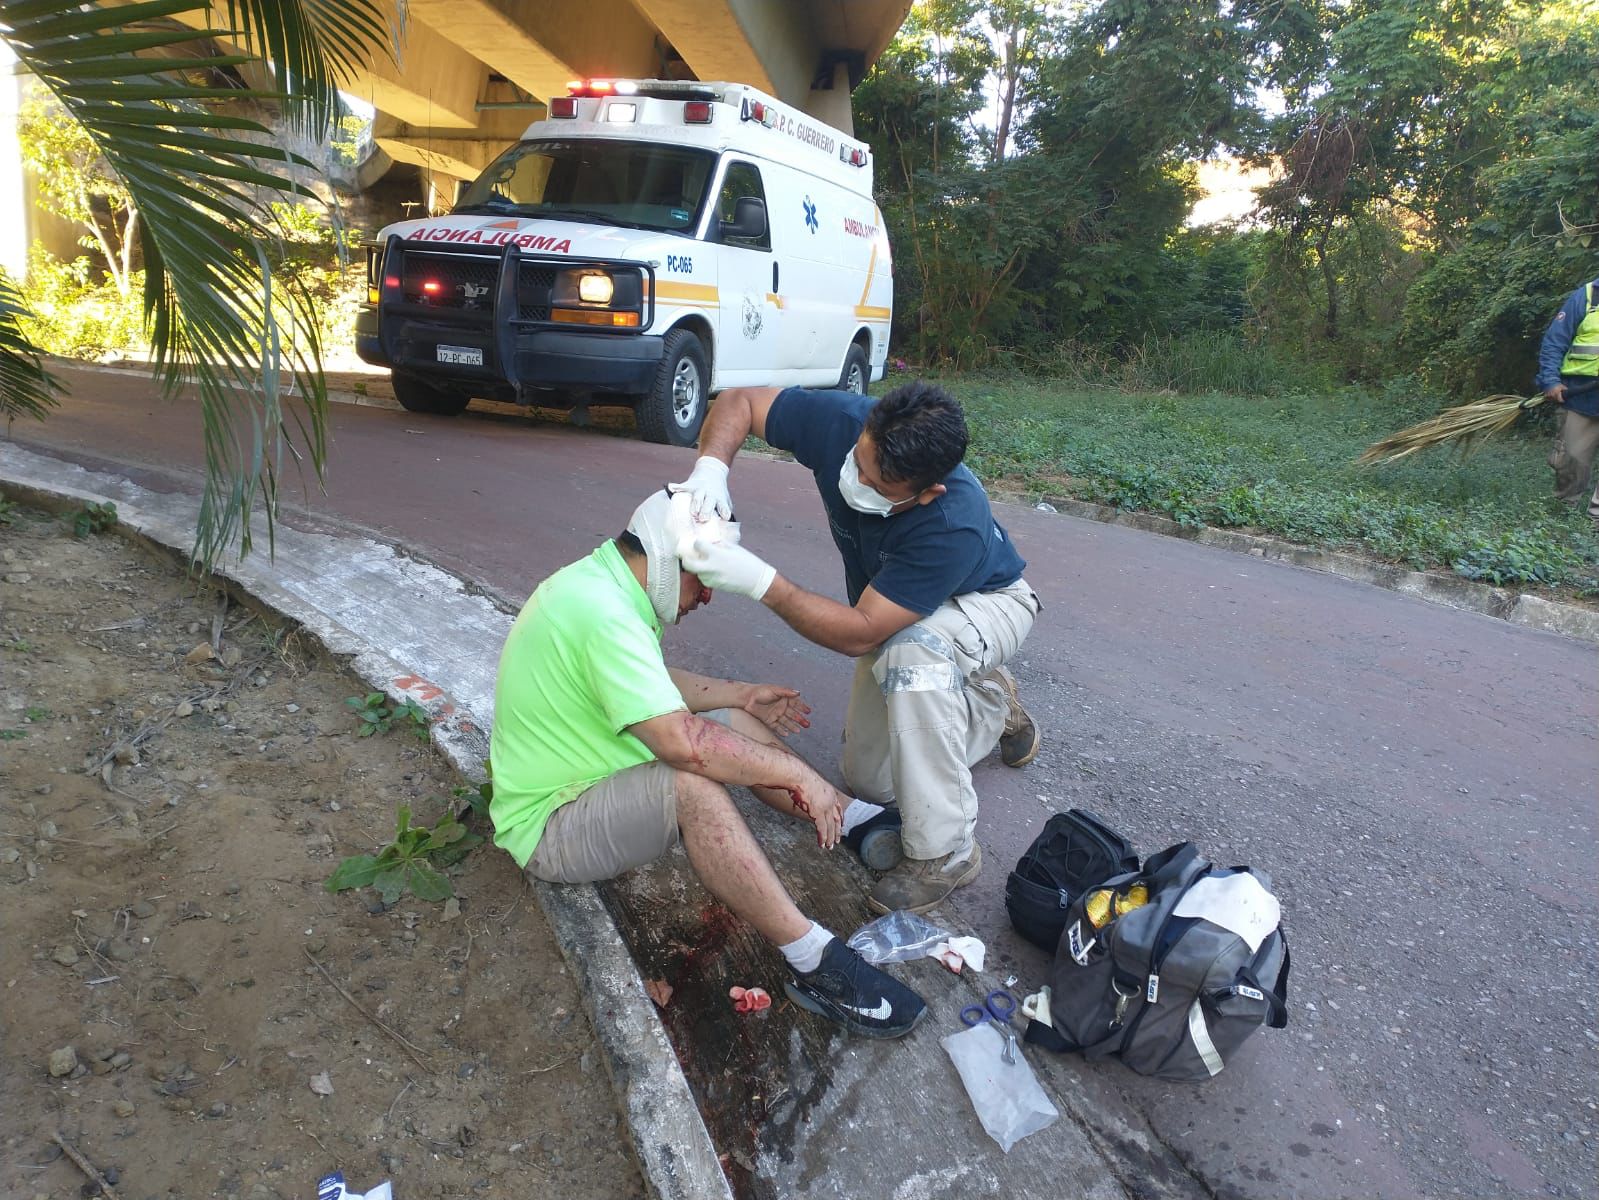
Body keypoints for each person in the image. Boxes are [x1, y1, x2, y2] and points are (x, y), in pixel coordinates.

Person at [488, 488, 927, 1038]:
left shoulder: (603, 585)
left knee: (722, 723)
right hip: (549, 825)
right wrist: (796, 773)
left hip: (590, 778)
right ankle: (816, 962)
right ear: (672, 560)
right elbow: (682, 745)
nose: (707, 598)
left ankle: (851, 818)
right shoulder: (604, 613)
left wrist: (739, 695)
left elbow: (649, 683)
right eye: (705, 581)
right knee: (693, 786)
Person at [671, 381, 1041, 916]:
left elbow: (862, 631)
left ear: (927, 492)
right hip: (903, 612)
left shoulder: (951, 522)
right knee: (874, 781)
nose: (857, 481)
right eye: (858, 463)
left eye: (877, 483)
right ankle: (990, 704)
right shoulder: (844, 421)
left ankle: (947, 851)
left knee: (913, 655)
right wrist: (711, 468)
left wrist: (761, 582)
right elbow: (740, 402)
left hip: (987, 603)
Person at [1536, 276, 1599, 524]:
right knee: (1571, 461)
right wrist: (1550, 381)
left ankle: (1596, 523)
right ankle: (1563, 519)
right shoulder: (1587, 295)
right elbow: (1555, 341)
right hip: (1581, 396)